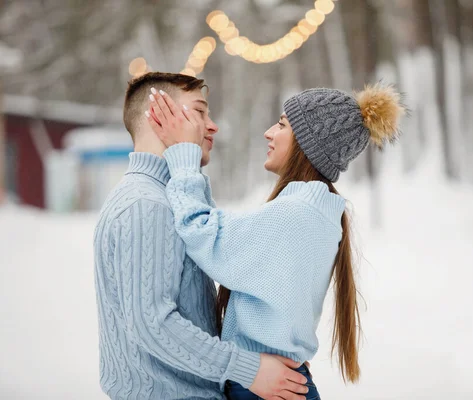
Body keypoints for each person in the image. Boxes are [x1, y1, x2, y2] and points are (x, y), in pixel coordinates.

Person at [147, 84, 404, 399]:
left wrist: (184, 156)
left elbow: (202, 232)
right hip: (279, 382)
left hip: (264, 387)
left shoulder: (294, 214)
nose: (269, 133)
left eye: (282, 125)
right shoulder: (315, 211)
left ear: (309, 144)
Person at [93, 72, 310, 400]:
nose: (212, 125)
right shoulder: (145, 204)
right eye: (199, 112)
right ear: (159, 115)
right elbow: (153, 324)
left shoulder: (163, 198)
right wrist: (249, 369)